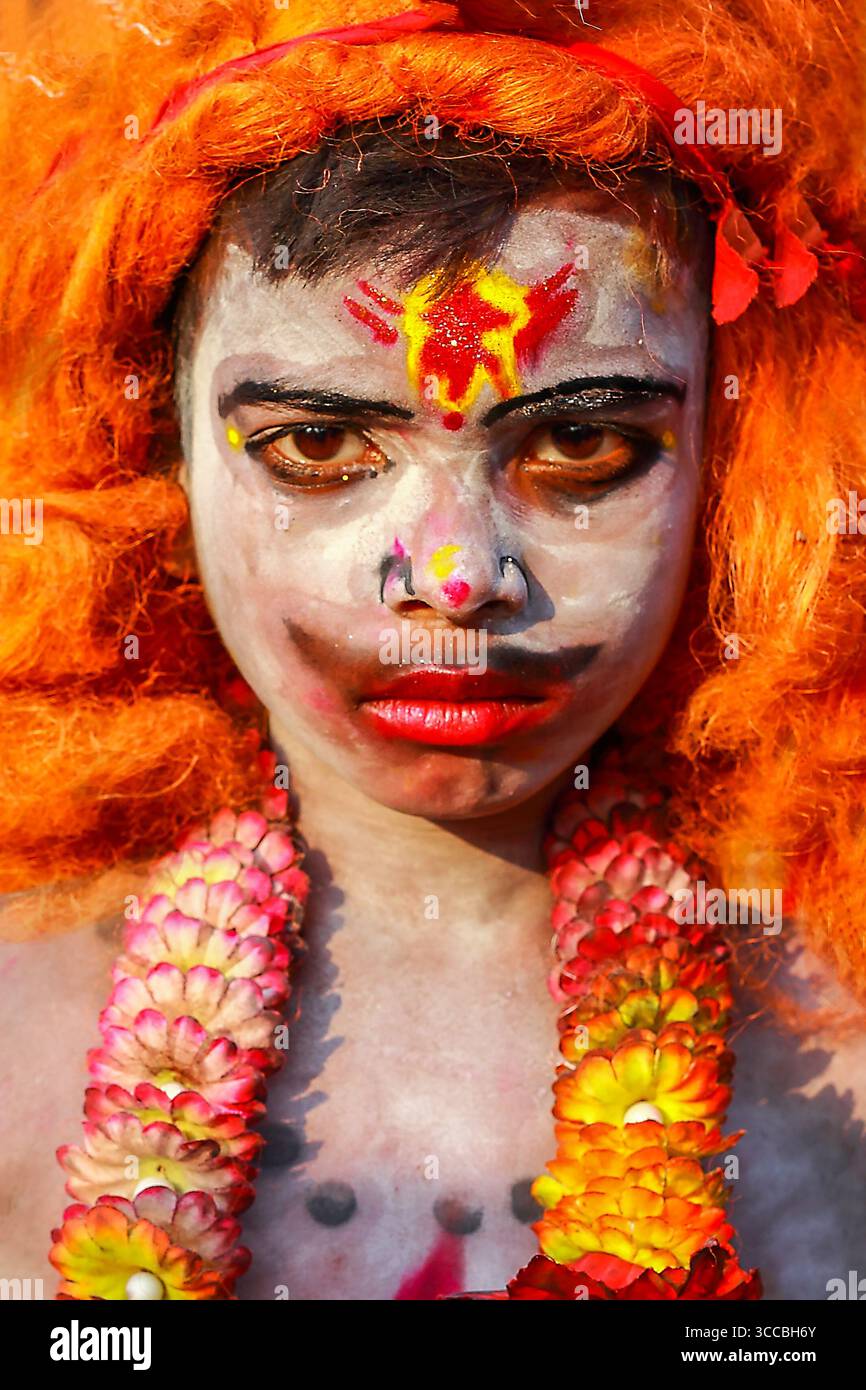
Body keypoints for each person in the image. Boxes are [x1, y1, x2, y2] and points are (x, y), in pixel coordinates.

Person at [1, 0, 865, 1301]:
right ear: (155, 458)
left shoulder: (837, 1050)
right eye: (315, 446)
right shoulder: (16, 1032)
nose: (455, 574)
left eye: (581, 444)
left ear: (737, 470)